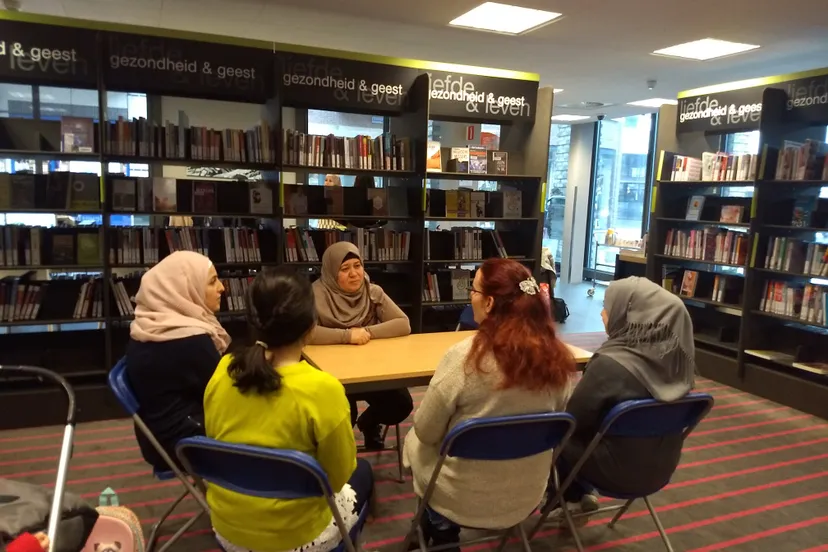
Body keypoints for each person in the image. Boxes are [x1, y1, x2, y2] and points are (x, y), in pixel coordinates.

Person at [403, 258, 578, 550]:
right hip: (526, 494)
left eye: (473, 290)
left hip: (460, 495)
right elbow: (559, 415)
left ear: (489, 303)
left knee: (415, 439)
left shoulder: (463, 358)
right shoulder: (557, 359)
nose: (470, 297)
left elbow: (427, 432)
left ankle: (440, 525)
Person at [204, 268, 373, 552]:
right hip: (297, 537)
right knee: (364, 473)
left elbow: (216, 439)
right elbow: (337, 476)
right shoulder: (322, 390)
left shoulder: (224, 369)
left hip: (229, 531)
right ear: (311, 326)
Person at [548, 276, 696, 523]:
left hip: (614, 471)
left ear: (632, 316)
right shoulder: (679, 365)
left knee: (554, 433)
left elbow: (573, 420)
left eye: (607, 307)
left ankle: (567, 498)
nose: (603, 313)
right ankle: (580, 494)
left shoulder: (611, 365)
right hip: (660, 469)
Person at [125, 251, 230, 471]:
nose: (222, 288)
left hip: (158, 436)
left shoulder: (149, 325)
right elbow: (228, 392)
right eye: (212, 282)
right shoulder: (188, 339)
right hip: (184, 443)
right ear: (185, 289)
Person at [309, 241, 413, 450]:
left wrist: (366, 333)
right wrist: (347, 336)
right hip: (331, 373)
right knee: (343, 414)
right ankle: (341, 458)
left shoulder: (372, 291)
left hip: (371, 367)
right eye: (344, 269)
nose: (354, 274)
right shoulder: (315, 294)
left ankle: (369, 423)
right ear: (331, 272)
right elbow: (308, 333)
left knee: (400, 404)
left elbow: (403, 324)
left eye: (358, 266)